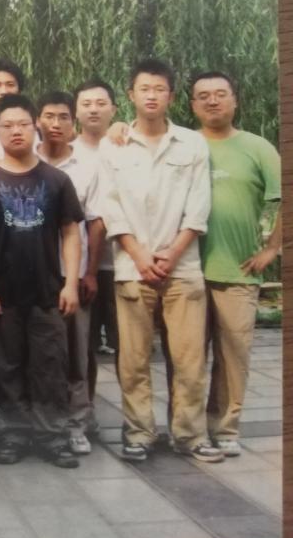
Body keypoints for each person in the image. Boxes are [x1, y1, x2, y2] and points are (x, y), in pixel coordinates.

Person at [98, 59, 223, 464]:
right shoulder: (113, 145)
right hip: (131, 267)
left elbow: (199, 205)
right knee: (133, 360)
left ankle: (190, 435)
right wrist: (138, 253)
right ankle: (138, 433)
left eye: (159, 89)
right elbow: (109, 205)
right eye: (144, 89)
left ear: (170, 96)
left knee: (189, 359)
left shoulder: (191, 144)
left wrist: (174, 252)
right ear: (131, 95)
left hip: (182, 266)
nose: (151, 96)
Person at [0, 94, 83, 469]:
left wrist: (71, 283)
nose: (15, 131)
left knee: (50, 365)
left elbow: (70, 232)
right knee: (7, 367)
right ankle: (14, 434)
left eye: (22, 124)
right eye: (7, 125)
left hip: (48, 291)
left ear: (36, 127)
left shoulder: (57, 180)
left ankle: (53, 436)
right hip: (3, 294)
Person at [190, 71, 281, 457]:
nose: (213, 101)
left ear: (235, 100)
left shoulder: (258, 148)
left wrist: (272, 248)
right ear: (193, 105)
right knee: (188, 359)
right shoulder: (185, 144)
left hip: (238, 272)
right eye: (204, 96)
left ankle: (225, 428)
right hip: (188, 271)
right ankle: (189, 429)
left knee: (233, 357)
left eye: (220, 94)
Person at [36, 91, 105, 456]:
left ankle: (78, 423)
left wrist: (89, 273)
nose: (56, 123)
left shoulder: (87, 166)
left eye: (63, 117)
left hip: (73, 276)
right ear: (37, 121)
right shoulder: (24, 161)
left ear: (72, 122)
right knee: (42, 355)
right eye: (49, 116)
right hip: (33, 277)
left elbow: (96, 223)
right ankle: (43, 423)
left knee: (77, 354)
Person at [74, 79, 120, 358]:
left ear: (113, 110)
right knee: (83, 348)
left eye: (101, 104)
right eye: (86, 104)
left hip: (121, 263)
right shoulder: (67, 153)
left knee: (128, 348)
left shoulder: (127, 147)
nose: (93, 109)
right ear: (76, 110)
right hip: (80, 265)